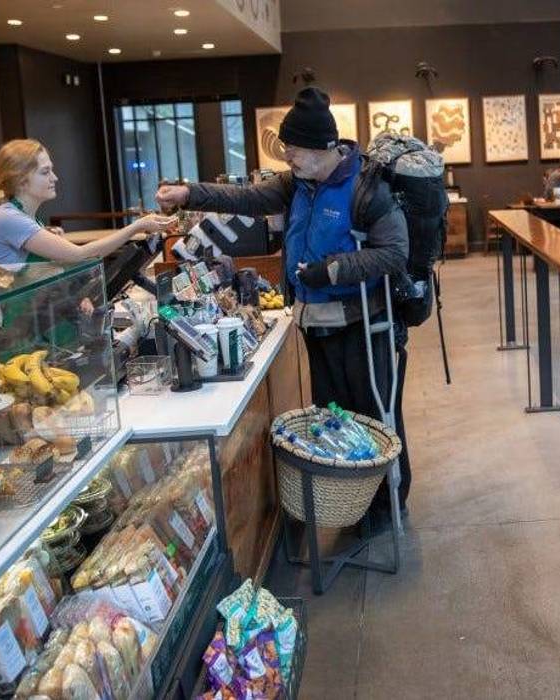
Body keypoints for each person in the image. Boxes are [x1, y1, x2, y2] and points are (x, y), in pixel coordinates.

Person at [153, 86, 412, 524]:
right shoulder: (297, 183)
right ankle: (350, 506)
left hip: (363, 327)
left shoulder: (366, 188)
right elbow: (246, 199)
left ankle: (387, 506)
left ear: (322, 147)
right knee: (337, 421)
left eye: (293, 148)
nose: (286, 155)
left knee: (375, 416)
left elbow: (394, 253)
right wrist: (188, 194)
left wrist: (330, 271)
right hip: (316, 324)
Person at [0, 138, 173, 266]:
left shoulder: (23, 217)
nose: (54, 178)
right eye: (45, 172)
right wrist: (137, 226)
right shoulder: (8, 218)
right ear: (21, 180)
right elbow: (79, 255)